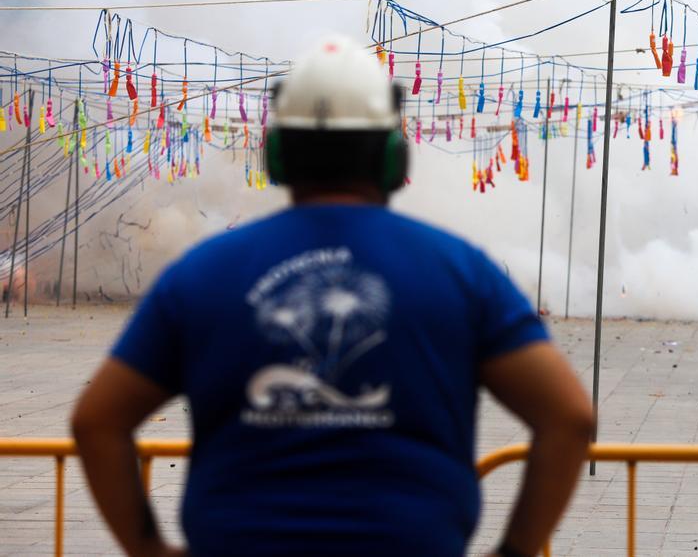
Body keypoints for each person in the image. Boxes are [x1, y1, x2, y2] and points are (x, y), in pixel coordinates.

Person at [71, 36, 594, 557]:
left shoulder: (203, 273)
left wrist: (146, 547)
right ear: (394, 156)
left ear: (276, 154)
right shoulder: (460, 271)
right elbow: (568, 416)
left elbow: (98, 420)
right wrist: (516, 551)